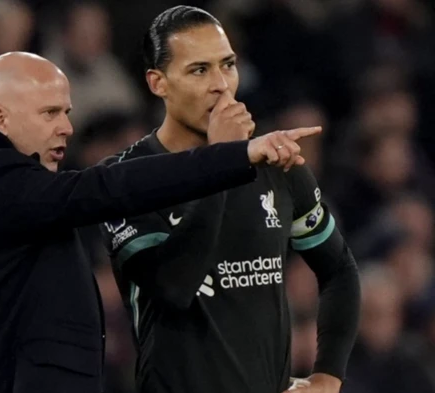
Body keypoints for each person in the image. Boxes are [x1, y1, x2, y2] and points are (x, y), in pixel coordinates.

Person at [0, 51, 320, 393]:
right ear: (0, 119)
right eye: (50, 113)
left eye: (67, 112)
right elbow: (103, 189)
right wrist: (228, 154)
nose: (67, 127)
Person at [98, 6, 361, 393]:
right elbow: (174, 288)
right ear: (158, 83)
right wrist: (222, 161)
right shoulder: (126, 177)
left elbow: (339, 268)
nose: (221, 84)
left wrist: (328, 377)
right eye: (199, 70)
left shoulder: (276, 163)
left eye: (228, 64)